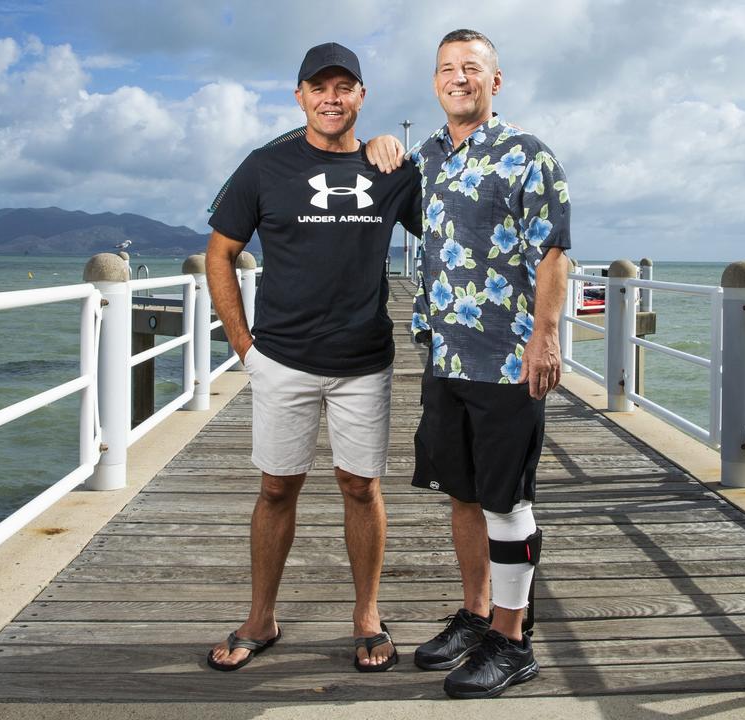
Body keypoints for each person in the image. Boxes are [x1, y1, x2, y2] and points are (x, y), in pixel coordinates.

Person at [204, 42, 421, 673]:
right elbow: (221, 253)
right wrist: (243, 345)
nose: (332, 98)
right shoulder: (264, 167)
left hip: (363, 360)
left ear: (361, 95)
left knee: (361, 487)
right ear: (299, 96)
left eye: (344, 87)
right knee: (276, 489)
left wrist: (393, 147)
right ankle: (260, 617)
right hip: (283, 358)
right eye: (319, 87)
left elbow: (448, 215)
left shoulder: (390, 169)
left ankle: (366, 616)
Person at [367, 28, 571, 699]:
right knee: (461, 493)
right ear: (434, 82)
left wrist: (545, 337)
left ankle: (513, 642)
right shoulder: (425, 157)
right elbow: (371, 193)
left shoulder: (527, 156)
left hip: (509, 357)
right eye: (448, 69)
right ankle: (479, 613)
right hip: (444, 353)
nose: (460, 77)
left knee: (506, 500)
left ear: (495, 81)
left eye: (472, 68)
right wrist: (376, 146)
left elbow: (552, 255)